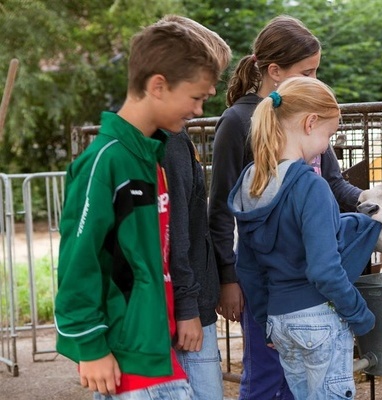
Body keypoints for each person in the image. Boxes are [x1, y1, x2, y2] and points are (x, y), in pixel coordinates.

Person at [54, 15, 224, 399]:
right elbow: (78, 261)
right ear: (158, 86)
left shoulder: (151, 155)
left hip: (157, 352)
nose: (198, 110)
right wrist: (91, 347)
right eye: (196, 97)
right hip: (130, 361)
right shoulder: (105, 161)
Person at [208, 15, 361, 400]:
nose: (315, 80)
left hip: (311, 283)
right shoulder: (237, 121)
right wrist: (229, 277)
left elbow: (332, 182)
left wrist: (375, 203)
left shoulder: (307, 122)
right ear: (274, 71)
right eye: (306, 72)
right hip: (267, 276)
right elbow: (223, 207)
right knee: (264, 375)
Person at [228, 76, 382, 400]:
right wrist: (359, 313)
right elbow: (324, 269)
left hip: (279, 321)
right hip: (318, 319)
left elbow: (247, 267)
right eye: (329, 135)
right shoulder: (312, 187)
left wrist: (264, 319)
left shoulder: (250, 183)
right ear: (311, 123)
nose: (327, 146)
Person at [160, 17, 231, 400]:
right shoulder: (169, 141)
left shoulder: (177, 136)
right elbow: (178, 230)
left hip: (191, 303)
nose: (213, 90)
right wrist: (187, 307)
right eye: (206, 81)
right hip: (185, 312)